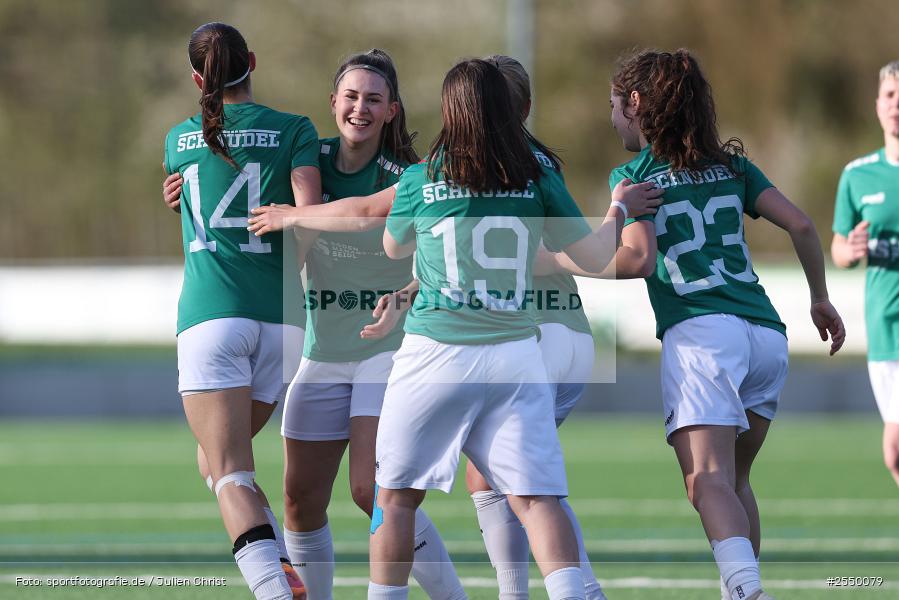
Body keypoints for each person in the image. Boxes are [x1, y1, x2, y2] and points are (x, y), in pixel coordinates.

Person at [367, 58, 660, 600]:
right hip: (516, 353)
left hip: (435, 353)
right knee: (537, 499)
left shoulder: (419, 176)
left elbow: (393, 246)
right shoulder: (538, 175)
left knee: (396, 498)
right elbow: (596, 258)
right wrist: (616, 209)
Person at [566, 48, 845, 600]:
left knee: (707, 482)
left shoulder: (636, 176)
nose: (612, 117)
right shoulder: (734, 166)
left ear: (638, 104)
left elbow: (637, 261)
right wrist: (820, 298)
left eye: (615, 105)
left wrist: (571, 254)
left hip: (702, 335)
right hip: (765, 334)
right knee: (735, 481)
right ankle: (741, 588)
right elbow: (803, 224)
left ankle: (747, 591)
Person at [249, 49, 466, 600]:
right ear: (333, 102)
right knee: (299, 500)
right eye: (351, 96)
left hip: (388, 348)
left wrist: (296, 215)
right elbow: (239, 188)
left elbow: (369, 214)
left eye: (374, 99)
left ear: (392, 110)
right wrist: (182, 194)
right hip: (323, 350)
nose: (360, 108)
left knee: (371, 490)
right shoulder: (307, 160)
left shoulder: (408, 176)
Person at [162, 22, 321, 600]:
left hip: (213, 317)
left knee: (227, 470)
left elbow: (200, 194)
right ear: (252, 61)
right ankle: (280, 566)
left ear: (198, 77)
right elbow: (309, 216)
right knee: (220, 464)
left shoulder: (178, 138)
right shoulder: (295, 128)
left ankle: (274, 590)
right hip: (283, 321)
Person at [456, 54, 607, 600]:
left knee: (523, 481)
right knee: (501, 472)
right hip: (570, 333)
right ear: (526, 106)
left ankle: (553, 591)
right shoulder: (544, 160)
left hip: (529, 336)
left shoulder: (475, 161)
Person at [832, 60, 899, 490]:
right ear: (878, 105)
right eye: (890, 95)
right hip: (885, 322)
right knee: (895, 448)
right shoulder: (857, 175)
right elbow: (838, 247)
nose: (897, 105)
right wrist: (851, 250)